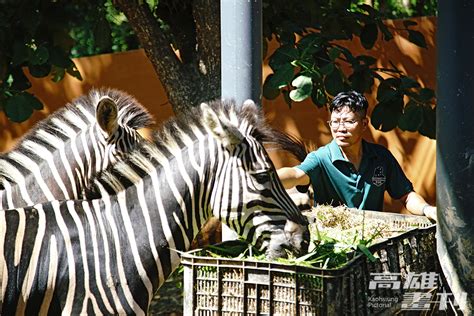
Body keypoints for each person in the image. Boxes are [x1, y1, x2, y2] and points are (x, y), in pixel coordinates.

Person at [277, 90, 437, 221]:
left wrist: (427, 209)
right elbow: (295, 174)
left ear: (364, 124)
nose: (340, 128)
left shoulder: (381, 157)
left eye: (348, 122)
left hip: (374, 242)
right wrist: (265, 177)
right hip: (332, 242)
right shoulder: (320, 158)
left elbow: (406, 196)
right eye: (335, 122)